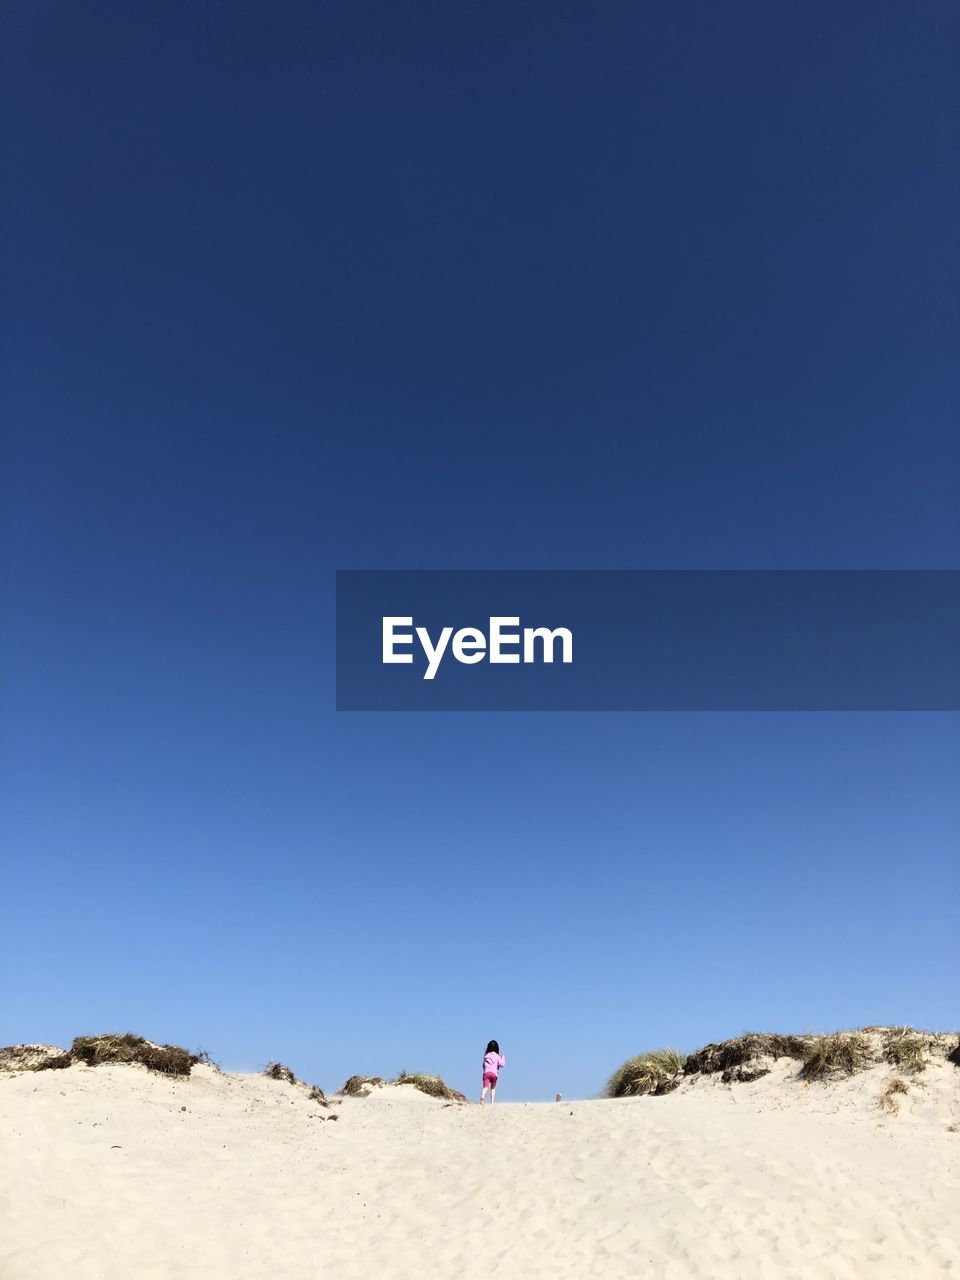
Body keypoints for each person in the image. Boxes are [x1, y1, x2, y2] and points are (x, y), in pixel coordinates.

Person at [480, 1039, 505, 1104]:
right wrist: (503, 1058)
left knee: (485, 1087)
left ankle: (482, 1096)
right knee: (493, 1088)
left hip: (486, 1073)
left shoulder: (486, 1056)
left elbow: (483, 1065)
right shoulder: (497, 1056)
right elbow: (502, 1064)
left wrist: (485, 1071)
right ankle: (492, 1102)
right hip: (494, 1074)